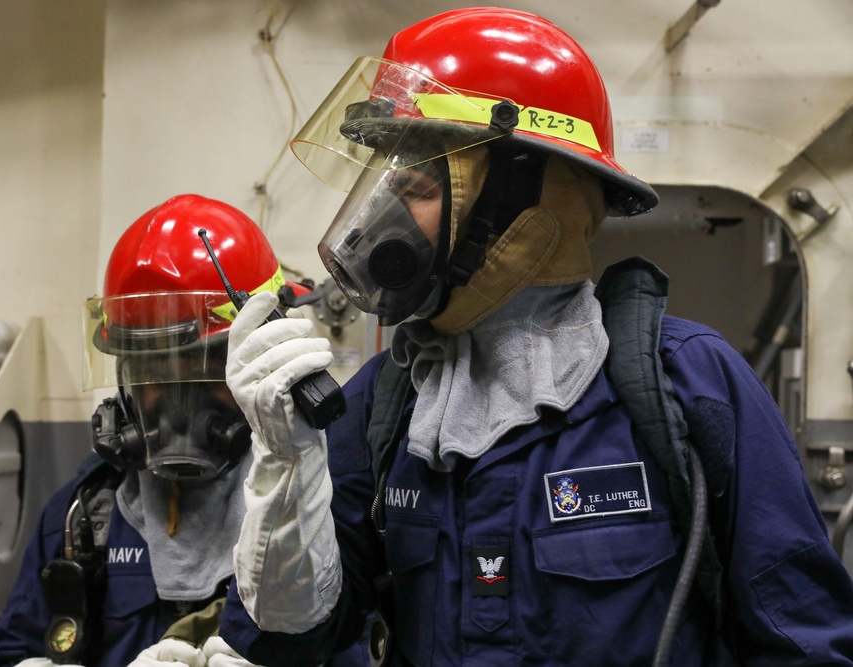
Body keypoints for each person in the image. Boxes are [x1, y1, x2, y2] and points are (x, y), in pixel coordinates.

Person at [217, 8, 853, 666]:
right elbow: (289, 636)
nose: (376, 224)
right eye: (384, 188)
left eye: (415, 187)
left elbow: (805, 643)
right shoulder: (387, 399)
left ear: (521, 200)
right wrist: (286, 465)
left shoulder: (690, 384)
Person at [0, 194, 369, 667]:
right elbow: (8, 654)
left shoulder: (316, 503)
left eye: (207, 371)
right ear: (124, 377)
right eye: (155, 373)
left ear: (256, 360)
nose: (179, 409)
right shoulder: (84, 514)